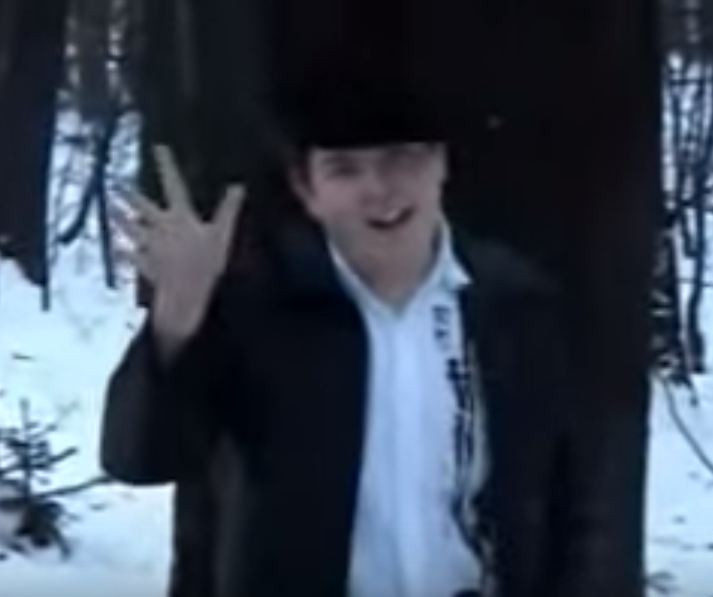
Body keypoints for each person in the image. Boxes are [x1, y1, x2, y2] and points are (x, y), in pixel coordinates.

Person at [100, 65, 645, 597]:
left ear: (441, 164)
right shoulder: (260, 312)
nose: (379, 190)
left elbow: (571, 504)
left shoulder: (515, 310)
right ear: (307, 188)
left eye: (401, 159)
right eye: (344, 170)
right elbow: (139, 458)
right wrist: (177, 319)